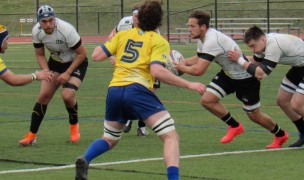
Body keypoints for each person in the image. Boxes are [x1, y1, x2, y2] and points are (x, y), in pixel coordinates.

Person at [75, 1, 206, 180]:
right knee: (170, 137)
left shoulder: (124, 35)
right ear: (159, 21)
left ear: (137, 19)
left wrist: (113, 39)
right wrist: (189, 84)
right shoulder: (159, 41)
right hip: (137, 90)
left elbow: (97, 55)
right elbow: (157, 71)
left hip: (114, 90)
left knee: (110, 139)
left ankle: (86, 158)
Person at [174, 10, 288, 148]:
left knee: (254, 115)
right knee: (207, 100)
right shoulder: (203, 39)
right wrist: (180, 62)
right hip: (228, 74)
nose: (189, 29)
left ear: (203, 27)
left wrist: (180, 68)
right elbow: (199, 57)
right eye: (189, 26)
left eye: (192, 26)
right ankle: (234, 126)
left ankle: (280, 134)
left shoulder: (212, 41)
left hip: (246, 78)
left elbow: (199, 70)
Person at [18, 4, 88, 146]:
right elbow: (39, 54)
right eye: (44, 21)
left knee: (67, 95)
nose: (48, 24)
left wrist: (68, 73)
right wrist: (46, 71)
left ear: (54, 19)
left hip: (76, 62)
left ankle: (74, 127)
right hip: (55, 63)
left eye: (51, 20)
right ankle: (31, 135)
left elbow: (82, 54)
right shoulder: (36, 31)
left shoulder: (66, 30)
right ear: (39, 21)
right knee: (43, 96)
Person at [229, 25, 304, 147]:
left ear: (262, 39)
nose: (253, 50)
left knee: (296, 104)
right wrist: (238, 57)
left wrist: (239, 60)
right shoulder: (265, 44)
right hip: (299, 67)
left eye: (253, 46)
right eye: (250, 47)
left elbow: (261, 74)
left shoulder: (274, 45)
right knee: (282, 101)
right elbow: (255, 62)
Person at [107, 4, 161, 136]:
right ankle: (132, 121)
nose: (137, 19)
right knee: (137, 95)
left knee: (150, 94)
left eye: (139, 16)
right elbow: (112, 39)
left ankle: (140, 126)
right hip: (129, 71)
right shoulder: (124, 24)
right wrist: (114, 57)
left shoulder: (153, 31)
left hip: (147, 68)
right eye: (135, 16)